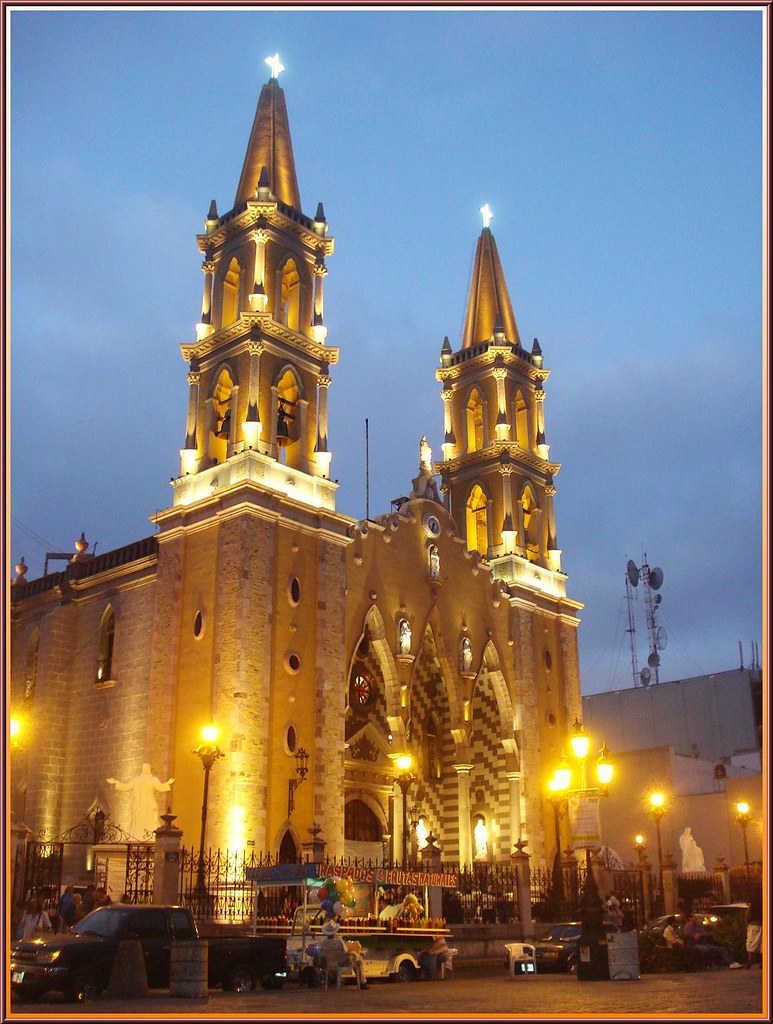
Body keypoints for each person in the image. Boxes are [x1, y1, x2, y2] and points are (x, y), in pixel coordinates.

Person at [107, 763, 174, 840]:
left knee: (150, 818)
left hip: (149, 800)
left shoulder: (153, 780)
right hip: (139, 802)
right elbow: (127, 786)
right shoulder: (137, 780)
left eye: (146, 767)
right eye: (144, 767)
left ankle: (151, 835)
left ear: (149, 769)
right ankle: (138, 835)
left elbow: (160, 787)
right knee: (139, 818)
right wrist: (116, 782)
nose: (145, 769)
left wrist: (168, 783)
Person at [318, 919, 368, 989]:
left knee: (356, 957)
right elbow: (346, 952)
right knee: (358, 959)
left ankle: (362, 981)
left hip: (330, 962)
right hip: (343, 962)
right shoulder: (339, 941)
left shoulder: (323, 942)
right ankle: (362, 982)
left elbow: (321, 952)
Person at [745, 897, 762, 968]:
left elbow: (748, 912)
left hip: (754, 925)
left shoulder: (753, 901)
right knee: (762, 943)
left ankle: (750, 959)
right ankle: (762, 961)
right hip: (762, 923)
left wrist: (746, 920)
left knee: (750, 942)